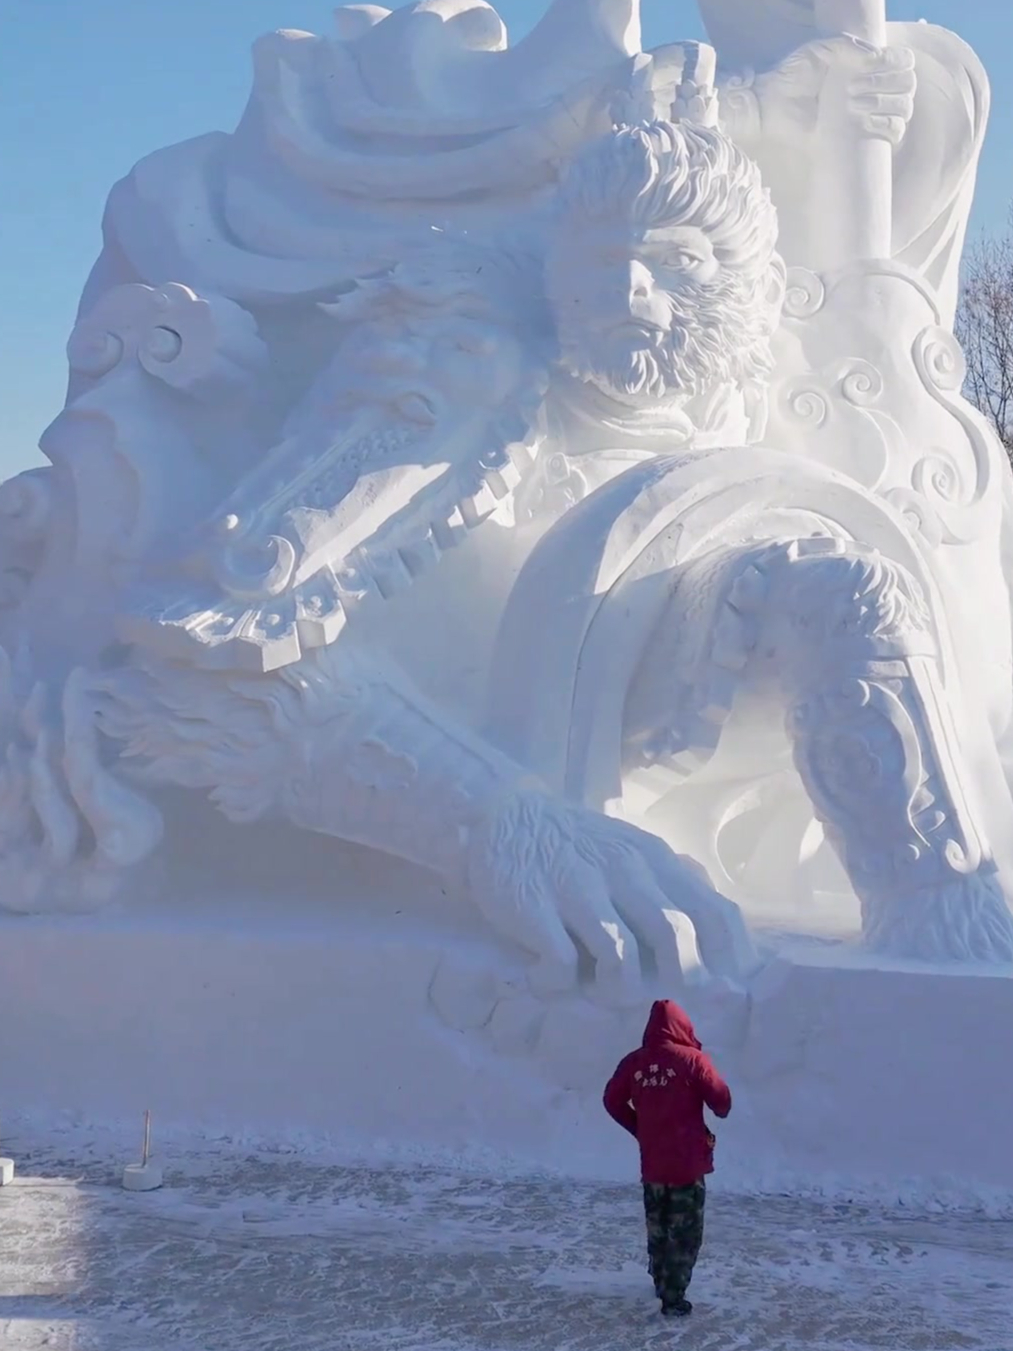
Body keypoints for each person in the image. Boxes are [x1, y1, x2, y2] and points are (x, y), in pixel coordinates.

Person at [603, 999, 732, 1318]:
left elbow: (611, 1100)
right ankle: (673, 1297)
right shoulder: (693, 1060)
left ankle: (661, 1281)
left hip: (653, 1164)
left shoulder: (634, 1062)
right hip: (688, 1165)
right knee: (685, 1232)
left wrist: (640, 1128)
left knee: (658, 1225)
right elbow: (722, 1104)